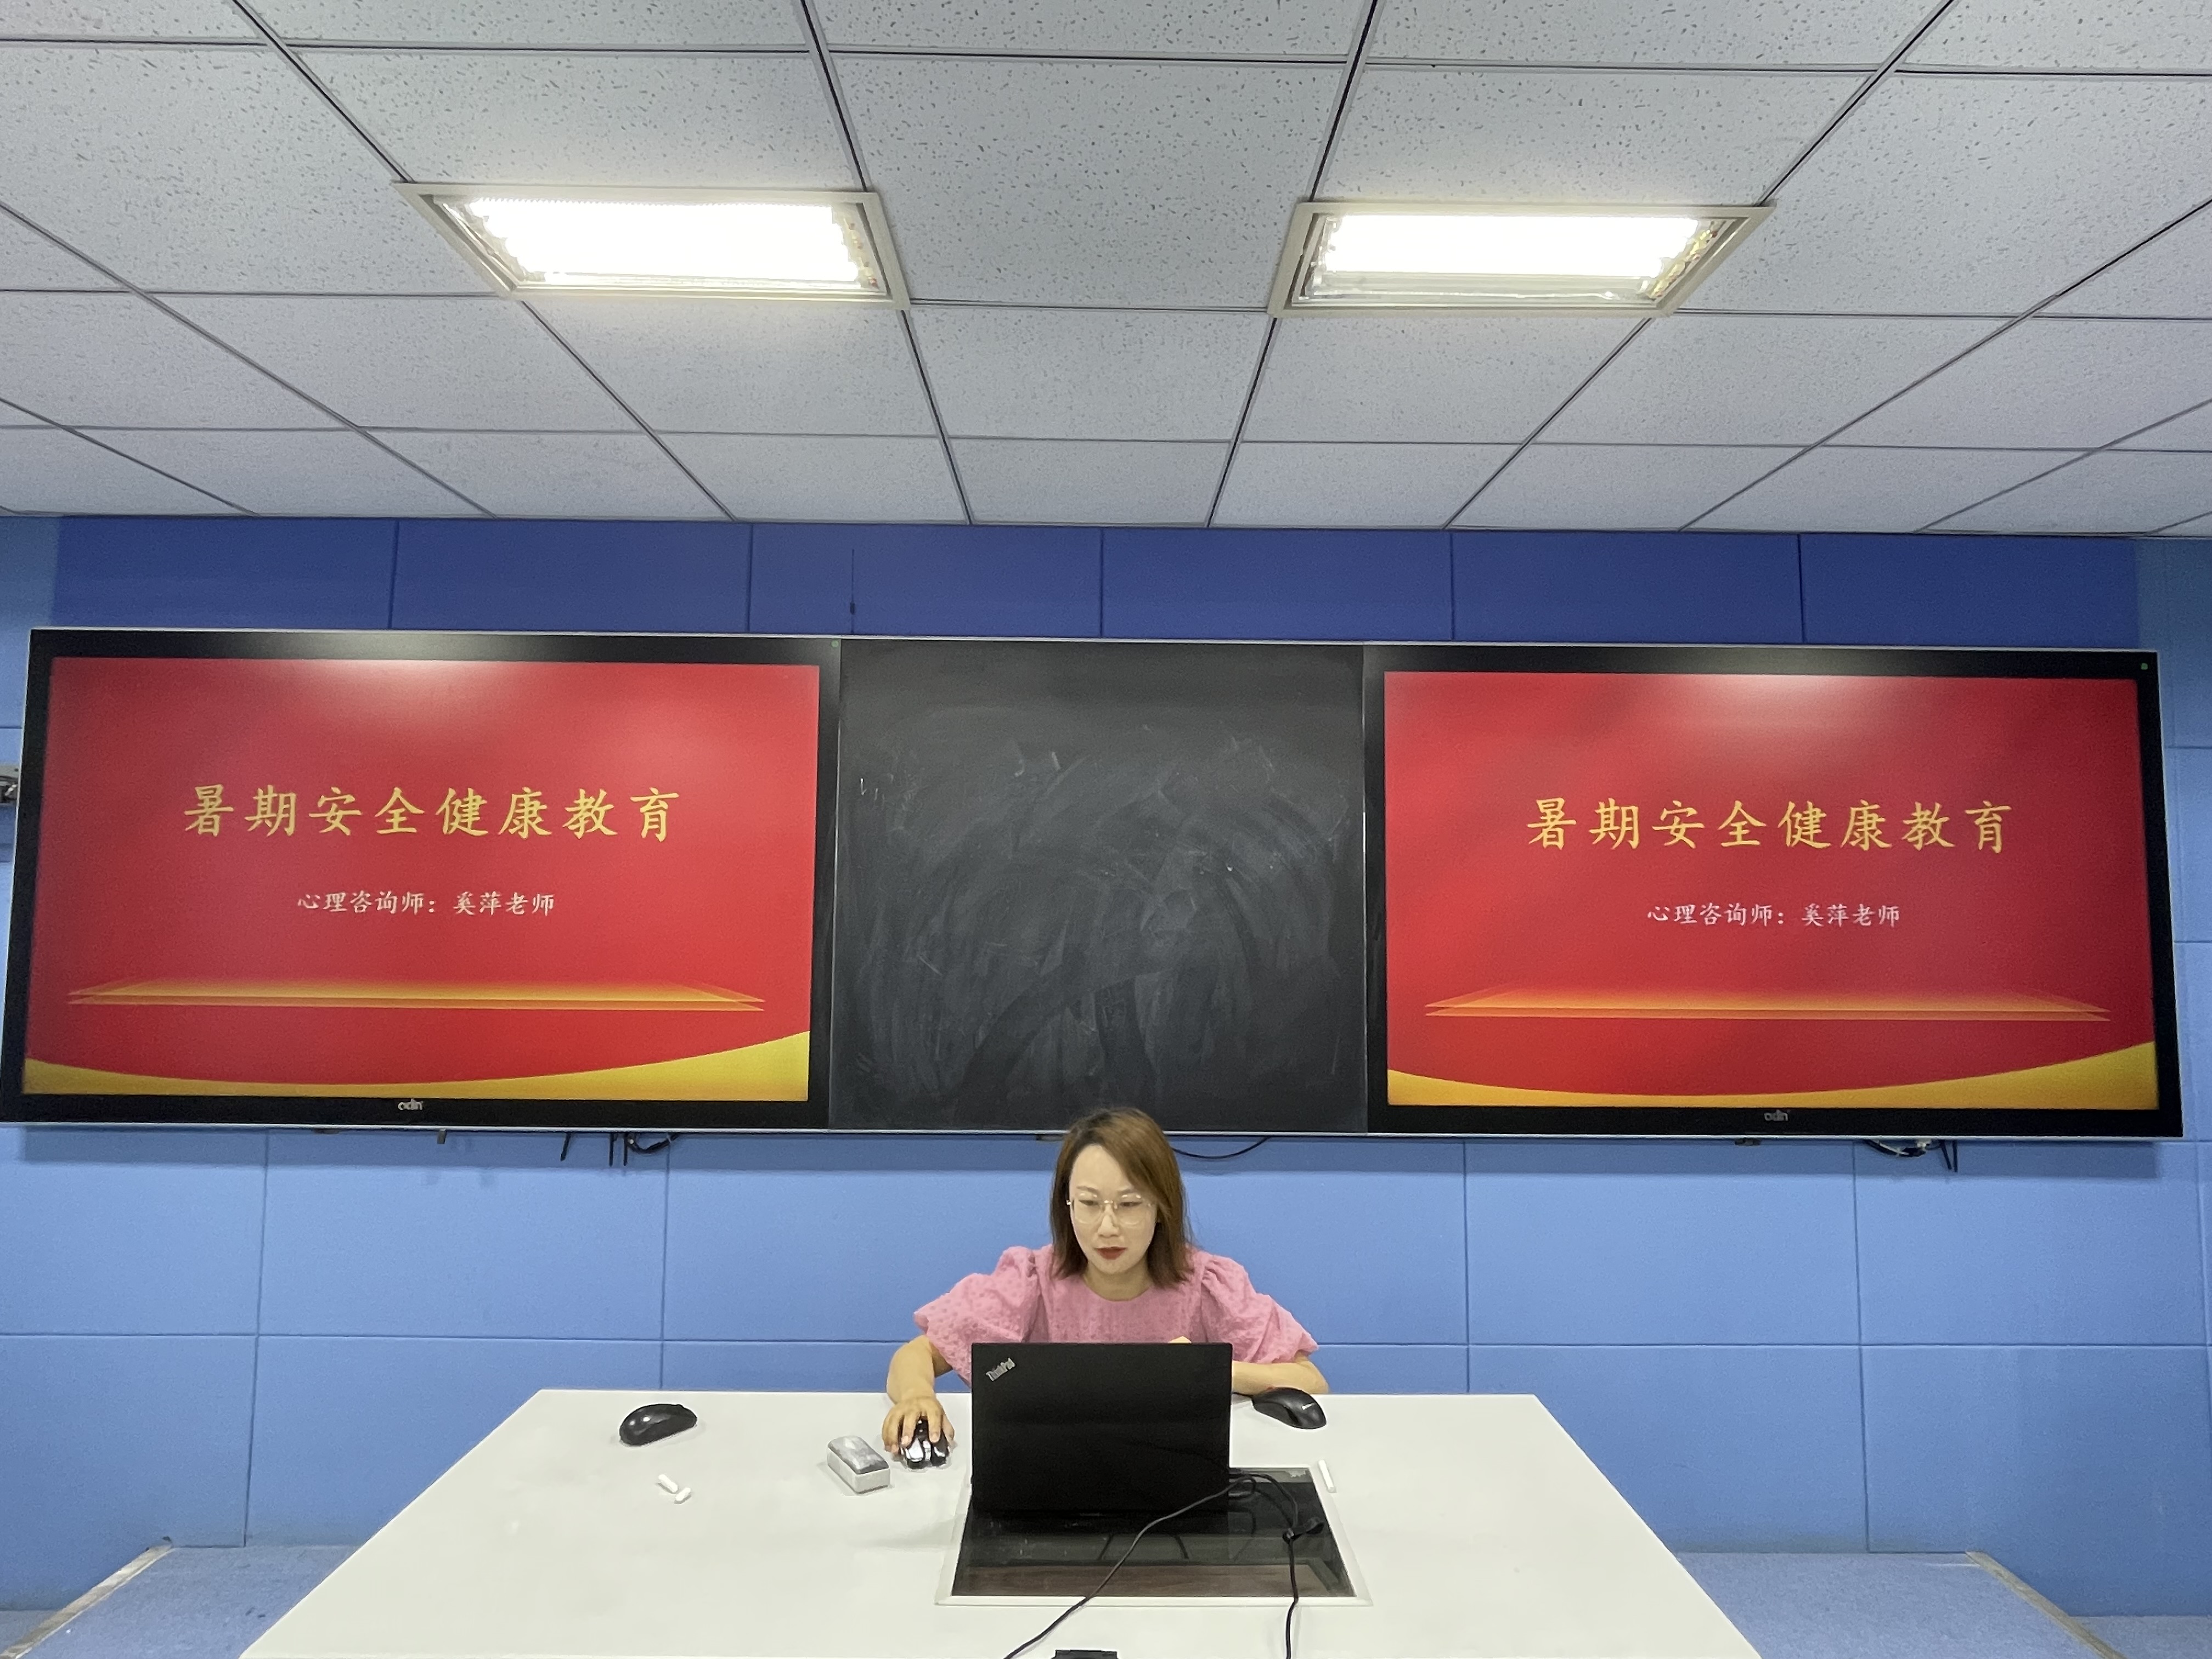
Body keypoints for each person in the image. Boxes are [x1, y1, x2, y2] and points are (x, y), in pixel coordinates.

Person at [882, 1107, 1328, 1452]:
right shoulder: (1030, 1281)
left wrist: (1211, 1370)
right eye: (1090, 1204)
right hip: (1051, 1479)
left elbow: (1309, 1380)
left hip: (1174, 1483)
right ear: (1067, 1205)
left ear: (1161, 1208)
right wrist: (917, 1396)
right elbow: (917, 1353)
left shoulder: (1208, 1285)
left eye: (1129, 1205)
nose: (1107, 1228)